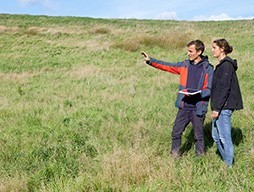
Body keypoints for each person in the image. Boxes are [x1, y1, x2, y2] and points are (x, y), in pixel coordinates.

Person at [141, 39, 214, 157]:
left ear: (199, 52)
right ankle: (174, 156)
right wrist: (151, 61)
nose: (188, 53)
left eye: (191, 51)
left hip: (198, 107)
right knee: (176, 132)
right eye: (188, 51)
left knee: (198, 136)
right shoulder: (184, 65)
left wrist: (199, 94)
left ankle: (200, 159)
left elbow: (209, 89)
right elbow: (168, 66)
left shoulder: (208, 69)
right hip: (184, 106)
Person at [211, 38, 243, 167]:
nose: (212, 50)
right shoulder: (222, 65)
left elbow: (224, 88)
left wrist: (217, 108)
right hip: (219, 106)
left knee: (224, 138)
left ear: (222, 49)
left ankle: (228, 166)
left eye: (214, 48)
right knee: (216, 137)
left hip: (223, 107)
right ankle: (227, 162)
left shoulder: (226, 65)